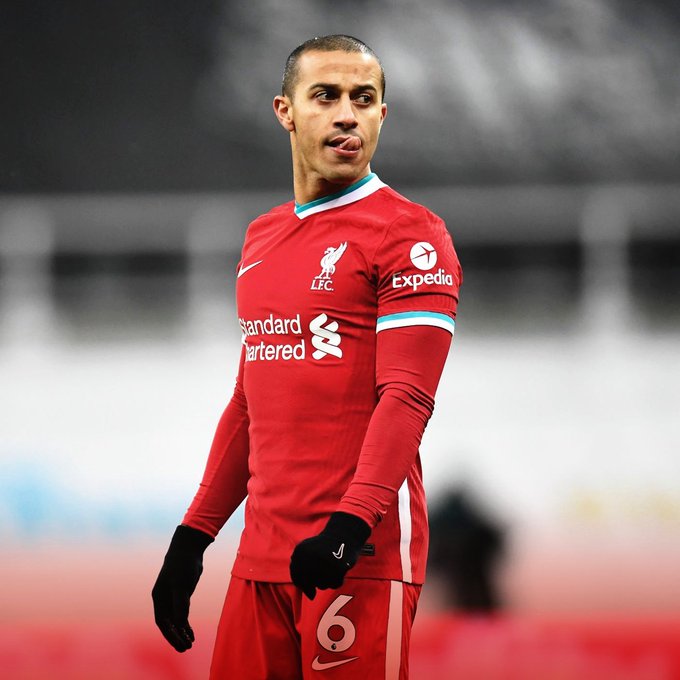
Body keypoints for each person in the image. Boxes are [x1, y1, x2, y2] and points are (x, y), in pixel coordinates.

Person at [152, 34, 462, 679]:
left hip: (357, 556)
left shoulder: (411, 234)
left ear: (382, 114)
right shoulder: (262, 237)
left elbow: (407, 397)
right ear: (285, 111)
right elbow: (249, 402)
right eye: (325, 96)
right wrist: (193, 536)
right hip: (262, 558)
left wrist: (350, 526)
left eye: (363, 99)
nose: (347, 115)